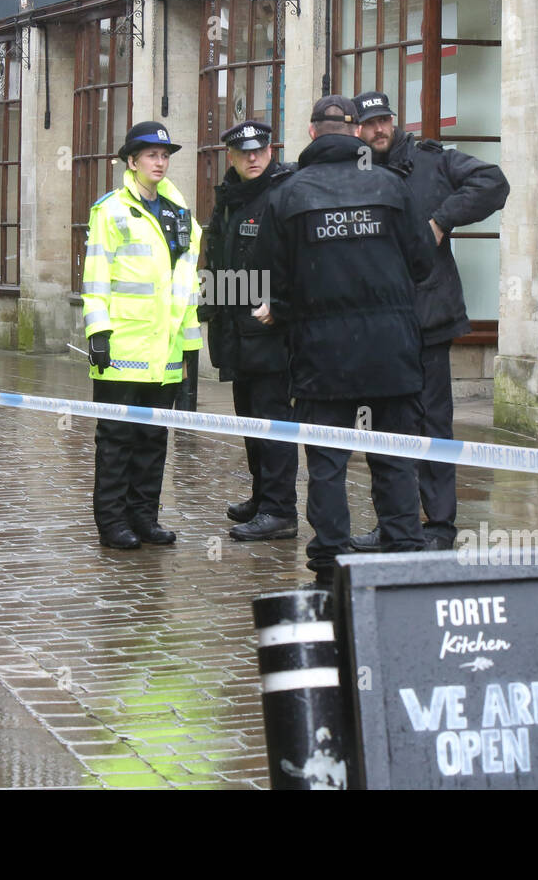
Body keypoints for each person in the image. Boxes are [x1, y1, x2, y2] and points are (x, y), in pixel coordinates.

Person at [252, 95, 435, 583]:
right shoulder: (391, 186)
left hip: (322, 358)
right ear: (355, 134)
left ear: (311, 135)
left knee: (327, 463)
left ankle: (330, 560)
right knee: (394, 458)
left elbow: (271, 278)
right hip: (391, 353)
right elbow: (423, 263)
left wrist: (289, 310)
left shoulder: (286, 195)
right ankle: (404, 552)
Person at [348, 90, 510, 554]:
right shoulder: (356, 171)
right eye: (369, 123)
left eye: (384, 121)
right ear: (356, 128)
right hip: (377, 324)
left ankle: (438, 525)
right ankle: (394, 524)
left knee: (434, 427)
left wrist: (442, 219)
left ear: (395, 121)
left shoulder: (431, 160)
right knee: (382, 430)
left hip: (428, 320)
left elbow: (492, 182)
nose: (379, 130)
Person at [83, 121, 203, 550]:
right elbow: (95, 278)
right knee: (116, 442)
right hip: (121, 351)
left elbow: (188, 290)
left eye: (165, 155)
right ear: (130, 162)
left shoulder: (179, 216)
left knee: (154, 440)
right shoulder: (111, 211)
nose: (160, 162)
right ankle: (112, 522)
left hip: (166, 355)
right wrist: (97, 331)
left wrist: (191, 350)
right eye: (151, 154)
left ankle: (144, 518)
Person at [199, 119, 298, 542]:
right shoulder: (229, 198)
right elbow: (217, 259)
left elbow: (298, 258)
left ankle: (281, 510)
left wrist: (280, 304)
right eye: (244, 153)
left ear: (271, 151)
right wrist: (209, 311)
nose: (253, 158)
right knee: (250, 420)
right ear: (232, 157)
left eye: (259, 150)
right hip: (236, 331)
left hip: (270, 333)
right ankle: (262, 497)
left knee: (274, 423)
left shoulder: (284, 193)